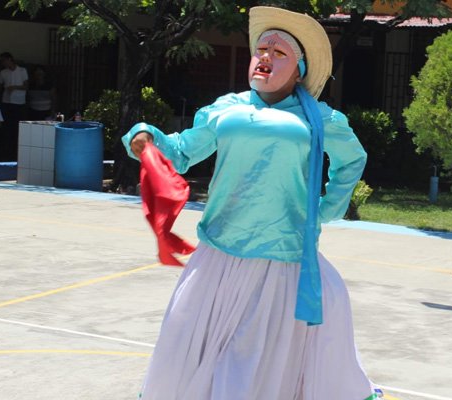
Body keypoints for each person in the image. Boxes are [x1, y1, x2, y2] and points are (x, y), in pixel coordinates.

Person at [124, 7, 379, 400]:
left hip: (282, 262)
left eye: (279, 53)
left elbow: (352, 159)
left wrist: (327, 207)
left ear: (300, 70)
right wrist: (146, 138)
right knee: (186, 343)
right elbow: (182, 151)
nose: (265, 57)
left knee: (252, 364)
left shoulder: (319, 119)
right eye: (261, 49)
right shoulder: (227, 108)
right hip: (218, 255)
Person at [0, 52, 29, 161]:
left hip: (19, 102)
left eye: (4, 60)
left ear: (10, 59)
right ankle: (6, 152)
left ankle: (16, 151)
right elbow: (0, 87)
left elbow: (26, 86)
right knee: (7, 127)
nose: (3, 63)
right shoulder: (3, 72)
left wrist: (13, 87)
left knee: (17, 127)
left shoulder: (22, 71)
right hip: (6, 101)